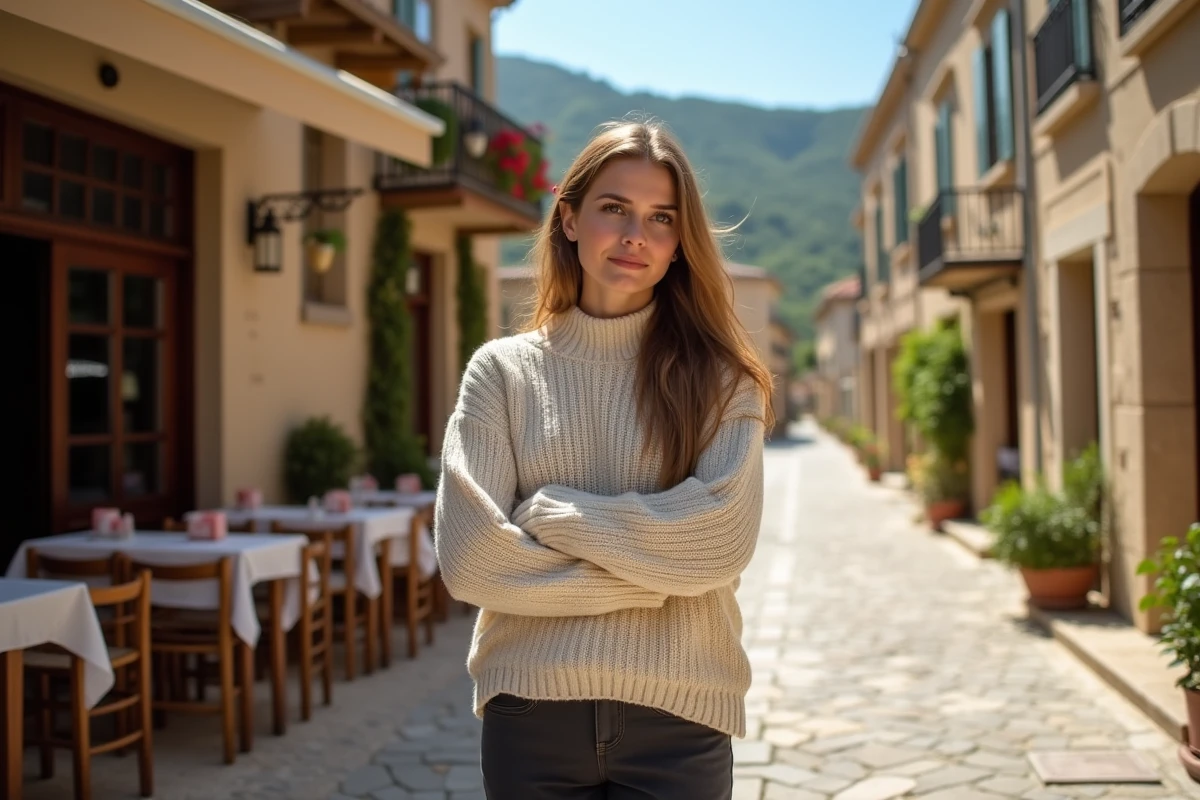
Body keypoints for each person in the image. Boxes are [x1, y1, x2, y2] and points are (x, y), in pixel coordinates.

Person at [434, 118, 775, 800]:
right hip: (530, 712)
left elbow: (720, 542)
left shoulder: (722, 381)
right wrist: (657, 578)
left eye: (661, 218)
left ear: (680, 242)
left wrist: (559, 516)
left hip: (682, 716)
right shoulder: (501, 374)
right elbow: (471, 560)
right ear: (568, 219)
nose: (634, 235)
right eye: (614, 208)